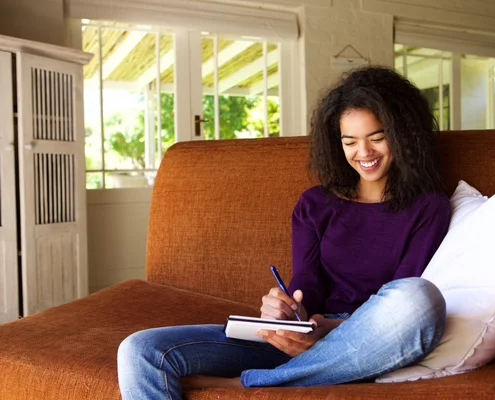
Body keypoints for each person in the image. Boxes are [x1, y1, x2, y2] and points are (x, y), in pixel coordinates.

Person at [117, 65, 451, 399]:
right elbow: (308, 282)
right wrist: (290, 312)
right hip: (301, 338)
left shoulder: (428, 207)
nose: (363, 154)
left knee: (418, 299)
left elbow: (400, 298)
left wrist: (326, 331)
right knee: (140, 349)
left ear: (403, 135)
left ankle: (254, 382)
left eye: (377, 138)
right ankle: (297, 370)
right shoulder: (315, 204)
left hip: (368, 342)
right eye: (350, 141)